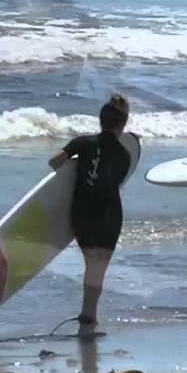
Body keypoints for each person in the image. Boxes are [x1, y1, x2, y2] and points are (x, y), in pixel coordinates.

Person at [48, 94, 134, 331]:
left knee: (91, 263)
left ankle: (89, 314)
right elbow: (114, 183)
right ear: (123, 123)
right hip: (108, 214)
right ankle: (88, 315)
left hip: (81, 213)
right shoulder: (125, 156)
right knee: (98, 267)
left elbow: (54, 162)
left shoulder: (82, 143)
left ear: (101, 120)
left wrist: (75, 168)